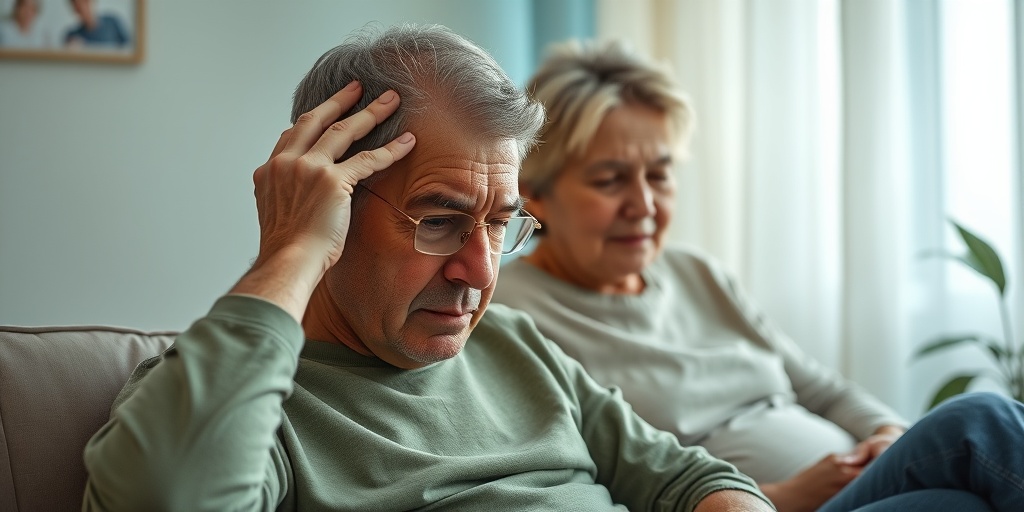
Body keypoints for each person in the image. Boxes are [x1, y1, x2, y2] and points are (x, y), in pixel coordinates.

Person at [80, 23, 774, 512]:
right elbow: (169, 498)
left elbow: (688, 480)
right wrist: (289, 251)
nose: (480, 272)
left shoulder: (514, 346)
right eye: (439, 222)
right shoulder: (250, 405)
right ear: (333, 207)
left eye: (499, 224)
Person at [491, 40, 1024, 512]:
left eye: (659, 174)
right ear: (534, 193)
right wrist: (780, 495)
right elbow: (576, 487)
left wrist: (888, 436)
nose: (645, 205)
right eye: (610, 180)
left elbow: (822, 390)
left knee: (959, 502)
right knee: (982, 422)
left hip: (862, 485)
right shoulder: (511, 313)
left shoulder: (696, 273)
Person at [63, 0, 129, 49]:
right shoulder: (72, 36)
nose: (83, 8)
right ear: (75, 8)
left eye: (85, 2)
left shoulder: (113, 23)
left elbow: (129, 48)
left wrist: (86, 46)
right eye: (78, 6)